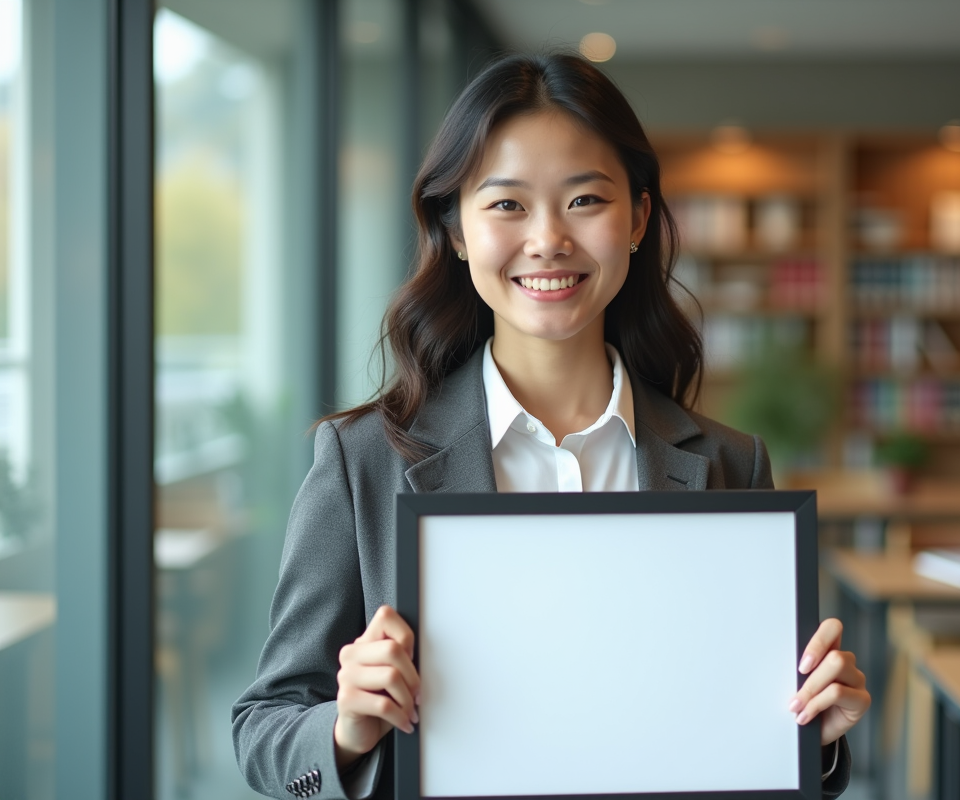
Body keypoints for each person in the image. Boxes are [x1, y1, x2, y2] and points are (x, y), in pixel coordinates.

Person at [232, 52, 870, 800]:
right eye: (506, 205)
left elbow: (750, 736)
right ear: (457, 228)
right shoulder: (361, 461)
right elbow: (266, 727)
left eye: (584, 201)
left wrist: (814, 738)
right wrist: (346, 727)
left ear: (636, 219)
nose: (547, 241)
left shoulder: (731, 463)